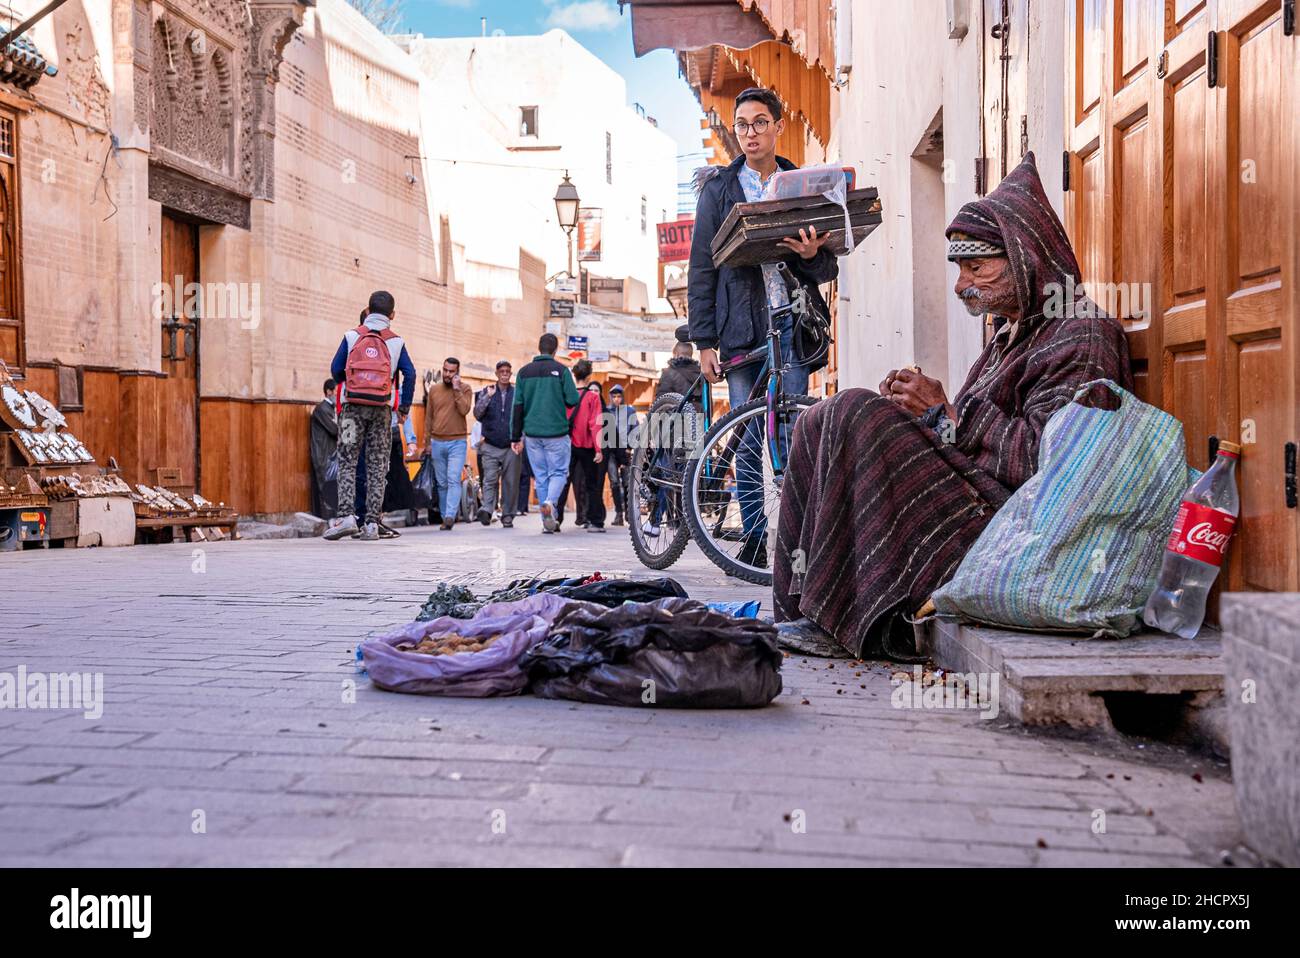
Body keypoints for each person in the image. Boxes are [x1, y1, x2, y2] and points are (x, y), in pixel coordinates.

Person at [773, 153, 1133, 659]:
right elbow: (957, 441)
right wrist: (919, 412)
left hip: (1024, 530)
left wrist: (946, 414)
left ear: (1025, 256)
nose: (962, 285)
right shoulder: (1008, 338)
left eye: (976, 266)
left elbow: (1061, 468)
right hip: (982, 500)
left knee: (857, 411)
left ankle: (846, 620)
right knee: (820, 418)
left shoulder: (1083, 335)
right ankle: (804, 607)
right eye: (959, 269)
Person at [688, 86, 839, 569]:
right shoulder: (718, 189)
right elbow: (701, 267)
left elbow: (828, 268)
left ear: (778, 126)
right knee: (749, 429)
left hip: (792, 323)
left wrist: (814, 256)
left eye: (759, 123)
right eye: (742, 125)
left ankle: (795, 535)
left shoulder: (802, 181)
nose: (750, 133)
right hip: (739, 328)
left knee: (793, 429)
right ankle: (754, 534)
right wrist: (703, 340)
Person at [325, 291, 415, 541]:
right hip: (381, 411)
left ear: (368, 309)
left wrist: (353, 385)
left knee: (347, 461)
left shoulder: (352, 336)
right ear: (392, 315)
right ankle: (372, 523)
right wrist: (404, 407)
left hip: (352, 411)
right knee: (377, 465)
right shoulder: (396, 342)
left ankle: (346, 518)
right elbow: (410, 374)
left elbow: (335, 369)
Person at [511, 333, 580, 534]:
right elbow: (573, 399)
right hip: (557, 432)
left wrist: (515, 437)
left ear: (539, 348)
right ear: (555, 350)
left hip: (532, 434)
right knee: (558, 472)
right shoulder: (562, 370)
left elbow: (517, 406)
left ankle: (547, 521)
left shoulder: (524, 373)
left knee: (541, 477)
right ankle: (550, 503)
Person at [421, 357, 474, 531]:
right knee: (442, 482)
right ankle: (445, 517)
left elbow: (464, 410)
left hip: (457, 442)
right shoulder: (434, 390)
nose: (447, 374)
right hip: (437, 442)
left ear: (457, 373)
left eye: (451, 371)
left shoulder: (465, 389)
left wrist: (457, 389)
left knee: (453, 479)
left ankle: (450, 515)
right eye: (445, 370)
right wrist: (427, 442)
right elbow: (428, 418)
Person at [473, 360, 521, 528]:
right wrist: (488, 396)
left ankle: (507, 515)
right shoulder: (485, 392)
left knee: (510, 482)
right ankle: (486, 510)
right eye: (502, 371)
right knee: (489, 480)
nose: (505, 373)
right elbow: (477, 414)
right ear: (496, 373)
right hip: (490, 444)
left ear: (511, 373)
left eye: (508, 371)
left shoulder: (517, 394)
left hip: (511, 446)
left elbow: (523, 416)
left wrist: (521, 439)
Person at [566, 360, 607, 533]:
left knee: (563, 482)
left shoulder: (567, 395)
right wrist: (599, 449)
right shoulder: (593, 397)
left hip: (568, 445)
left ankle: (555, 519)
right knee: (592, 484)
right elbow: (595, 424)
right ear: (589, 376)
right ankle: (595, 521)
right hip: (587, 445)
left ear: (574, 376)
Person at [604, 384, 639, 527]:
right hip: (611, 451)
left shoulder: (630, 411)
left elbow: (635, 429)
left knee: (627, 482)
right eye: (614, 396)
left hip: (625, 450)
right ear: (611, 397)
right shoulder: (606, 411)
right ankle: (618, 513)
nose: (617, 399)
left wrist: (632, 447)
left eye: (619, 396)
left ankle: (628, 513)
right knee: (614, 481)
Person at [309, 379, 339, 520]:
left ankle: (334, 519)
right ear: (329, 391)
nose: (338, 396)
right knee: (325, 488)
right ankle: (328, 520)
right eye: (336, 392)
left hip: (330, 455)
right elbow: (334, 430)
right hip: (322, 455)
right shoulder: (322, 409)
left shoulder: (331, 409)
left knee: (333, 487)